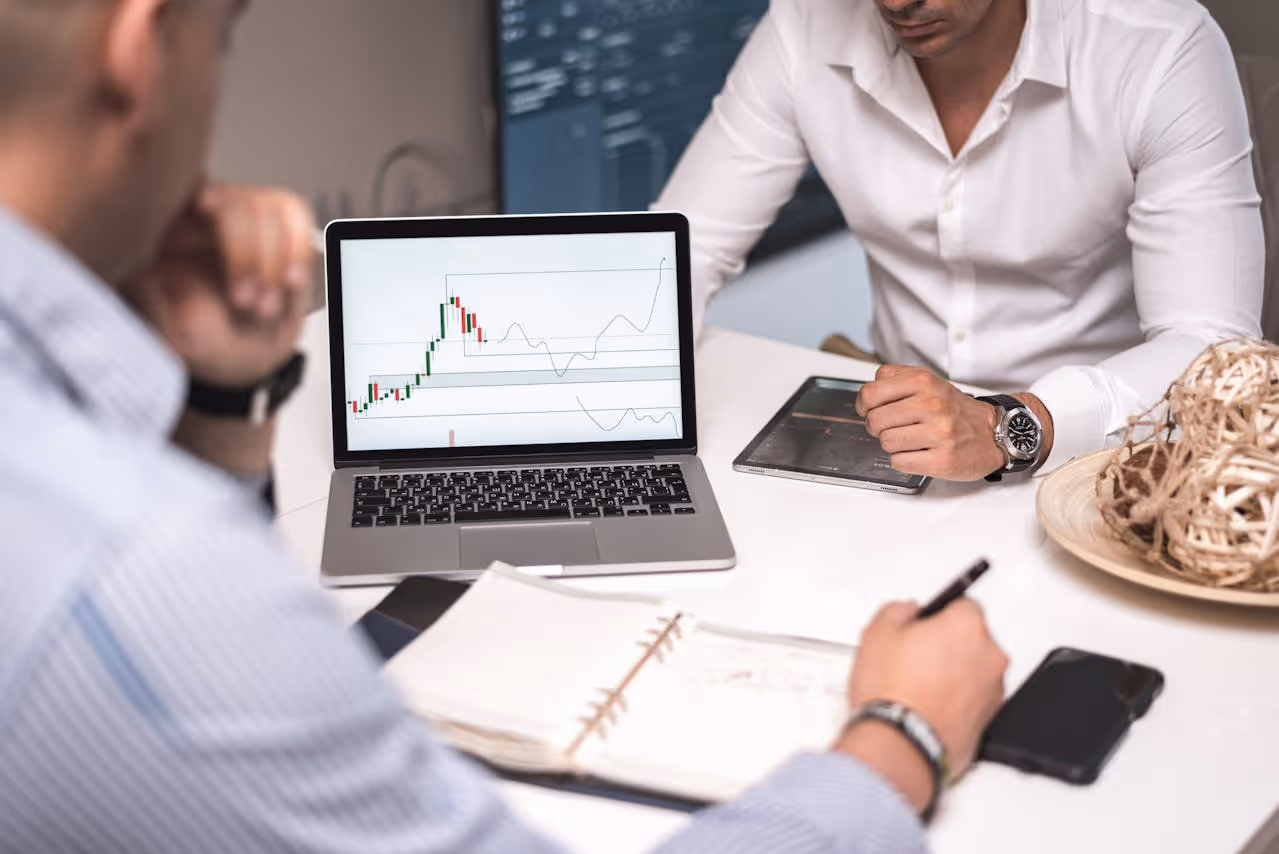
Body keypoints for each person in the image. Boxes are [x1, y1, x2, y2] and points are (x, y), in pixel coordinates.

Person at [0, 1, 1007, 851]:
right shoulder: (151, 571)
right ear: (139, 49)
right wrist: (897, 735)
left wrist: (225, 408)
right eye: (218, 42)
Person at [658, 0, 1266, 483]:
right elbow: (685, 249)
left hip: (1111, 463)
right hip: (896, 452)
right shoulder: (804, 22)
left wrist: (1010, 425)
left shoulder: (1159, 44)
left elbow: (1215, 349)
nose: (897, 2)